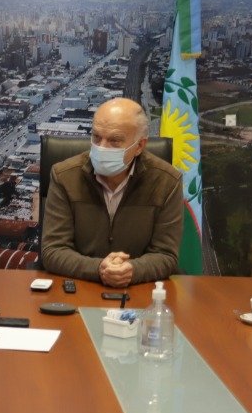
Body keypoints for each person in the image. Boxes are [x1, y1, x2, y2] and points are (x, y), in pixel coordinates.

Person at [41, 97, 183, 287]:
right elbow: (53, 250)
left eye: (115, 141)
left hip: (139, 291)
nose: (102, 147)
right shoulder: (64, 176)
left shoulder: (167, 181)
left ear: (139, 146)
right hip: (80, 286)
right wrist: (99, 268)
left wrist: (132, 270)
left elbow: (165, 255)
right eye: (96, 137)